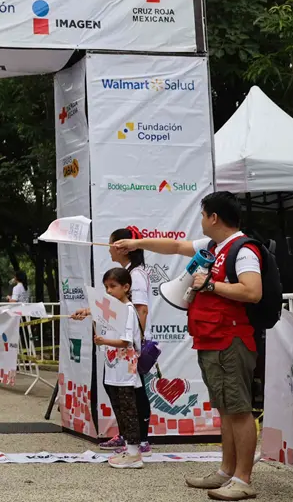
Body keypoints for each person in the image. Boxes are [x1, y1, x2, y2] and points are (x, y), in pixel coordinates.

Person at [113, 191, 262, 501]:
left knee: (238, 410)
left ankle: (242, 479)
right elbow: (175, 246)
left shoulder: (243, 249)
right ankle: (226, 471)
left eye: (203, 215)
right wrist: (137, 244)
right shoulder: (213, 247)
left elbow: (252, 291)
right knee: (225, 409)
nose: (201, 220)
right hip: (211, 339)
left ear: (214, 218)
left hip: (231, 339)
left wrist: (211, 285)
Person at [97, 228, 153, 454]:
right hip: (119, 346)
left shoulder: (136, 275)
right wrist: (89, 311)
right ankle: (128, 436)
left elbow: (141, 309)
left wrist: (135, 343)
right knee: (118, 390)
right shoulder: (126, 273)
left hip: (128, 348)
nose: (108, 249)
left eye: (110, 244)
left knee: (132, 393)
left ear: (122, 247)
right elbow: (113, 307)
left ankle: (140, 440)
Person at [85, 268, 145, 469]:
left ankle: (134, 453)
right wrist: (87, 313)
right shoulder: (116, 309)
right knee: (120, 409)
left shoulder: (128, 310)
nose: (109, 291)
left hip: (125, 370)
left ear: (126, 287)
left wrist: (103, 341)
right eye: (106, 287)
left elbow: (126, 341)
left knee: (128, 410)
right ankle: (129, 449)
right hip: (114, 368)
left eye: (113, 286)